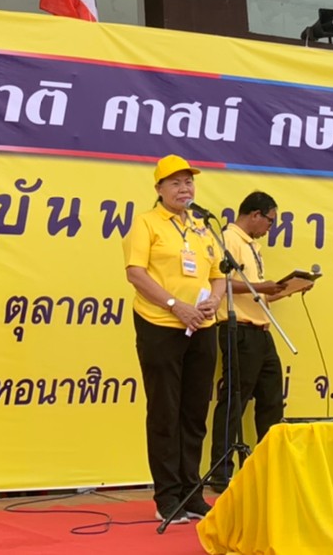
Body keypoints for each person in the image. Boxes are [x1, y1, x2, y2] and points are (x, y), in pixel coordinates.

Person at [123, 155, 224, 525]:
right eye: (176, 183)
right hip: (160, 323)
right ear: (159, 190)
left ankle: (192, 494)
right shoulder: (147, 224)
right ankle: (167, 497)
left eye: (189, 182)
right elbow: (135, 273)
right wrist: (175, 305)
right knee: (166, 411)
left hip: (201, 326)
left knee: (195, 412)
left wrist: (214, 299)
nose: (185, 189)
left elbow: (217, 273)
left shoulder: (202, 227)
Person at [208, 191, 308, 493]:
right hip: (239, 329)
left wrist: (283, 289)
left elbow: (255, 292)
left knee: (272, 400)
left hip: (262, 331)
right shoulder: (229, 238)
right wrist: (260, 286)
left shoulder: (253, 245)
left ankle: (269, 466)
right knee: (234, 400)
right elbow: (221, 282)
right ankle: (221, 472)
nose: (270, 227)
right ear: (255, 214)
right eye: (270, 220)